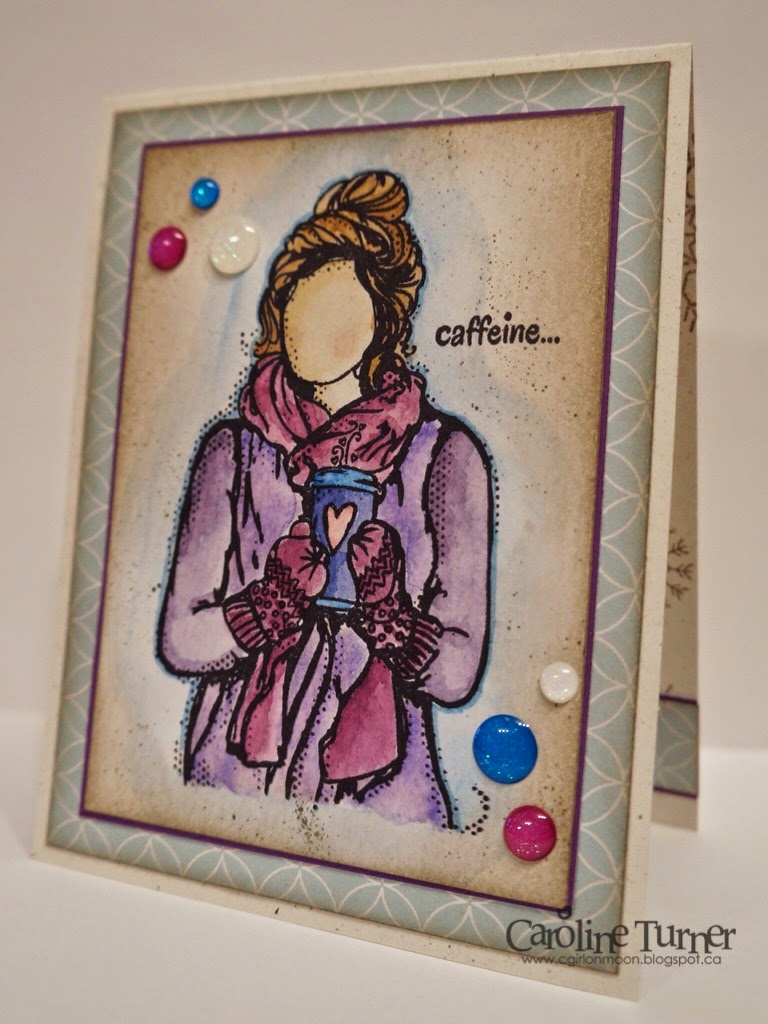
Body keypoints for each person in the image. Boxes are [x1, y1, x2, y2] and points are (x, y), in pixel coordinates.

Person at [158, 170, 492, 829]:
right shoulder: (235, 449)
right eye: (298, 304)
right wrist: (264, 609)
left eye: (338, 309)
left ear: (382, 322)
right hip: (233, 782)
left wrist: (392, 619)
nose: (310, 327)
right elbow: (180, 639)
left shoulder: (444, 456)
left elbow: (457, 671)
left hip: (378, 798)